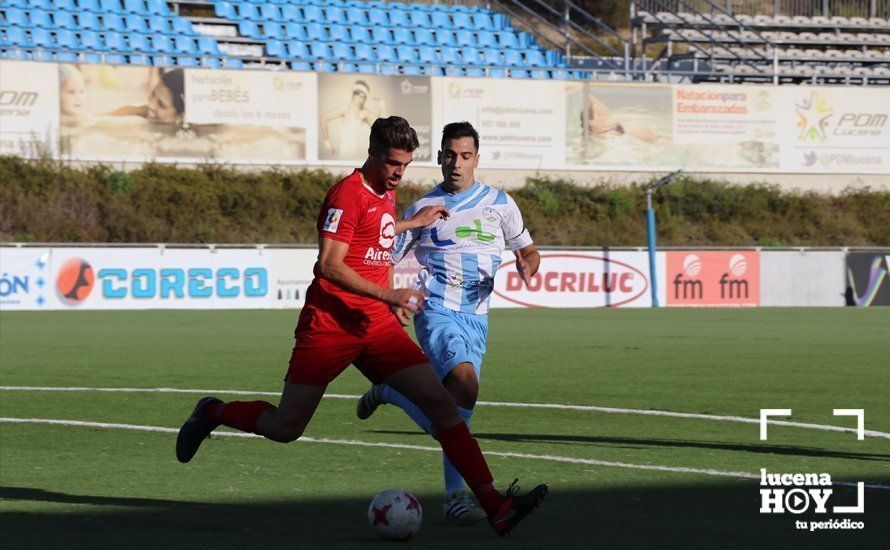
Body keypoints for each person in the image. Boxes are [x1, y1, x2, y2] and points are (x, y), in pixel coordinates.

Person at [175, 116, 548, 537]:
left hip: (376, 327)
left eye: (405, 165)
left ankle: (495, 506)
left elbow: (377, 246)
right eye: (392, 163)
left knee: (445, 408)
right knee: (286, 428)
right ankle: (213, 411)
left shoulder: (387, 195)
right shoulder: (346, 195)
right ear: (372, 154)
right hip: (330, 326)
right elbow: (329, 266)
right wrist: (390, 295)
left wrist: (410, 230)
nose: (398, 173)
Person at [356, 121, 541, 524]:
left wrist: (529, 264)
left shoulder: (500, 203)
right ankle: (457, 498)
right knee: (463, 381)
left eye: (465, 156)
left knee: (457, 409)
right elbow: (384, 257)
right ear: (439, 157)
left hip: (478, 318)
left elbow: (527, 248)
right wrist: (390, 301)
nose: (457, 163)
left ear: (476, 158)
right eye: (450, 155)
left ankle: (392, 393)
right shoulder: (421, 209)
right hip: (437, 310)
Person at [320, 80, 386, 159]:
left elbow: (383, 126)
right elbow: (323, 118)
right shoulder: (346, 108)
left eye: (363, 96)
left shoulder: (365, 113)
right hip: (345, 157)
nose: (361, 99)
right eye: (358, 95)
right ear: (354, 94)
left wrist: (382, 101)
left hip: (362, 159)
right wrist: (327, 144)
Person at [107, 68, 185, 124]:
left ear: (181, 118)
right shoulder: (143, 112)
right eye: (152, 94)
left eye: (161, 104)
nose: (151, 105)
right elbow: (100, 118)